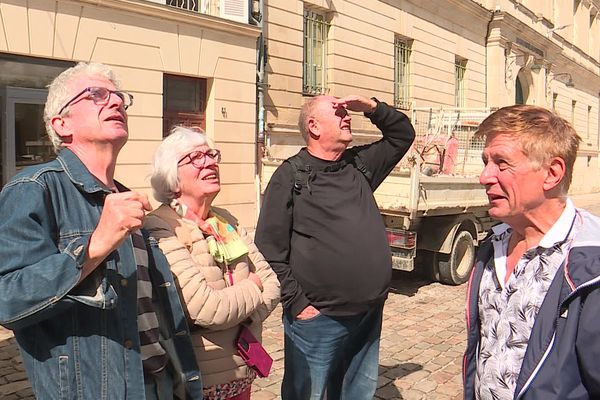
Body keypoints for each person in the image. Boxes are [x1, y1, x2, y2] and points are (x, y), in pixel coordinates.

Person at [0, 63, 203, 399]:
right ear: (61, 124)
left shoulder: (122, 198)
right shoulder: (34, 188)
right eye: (96, 94)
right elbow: (7, 300)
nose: (115, 103)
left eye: (120, 97)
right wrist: (93, 248)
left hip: (159, 384)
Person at [254, 95, 415, 399]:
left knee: (357, 393)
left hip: (368, 313)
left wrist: (371, 107)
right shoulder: (290, 175)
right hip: (319, 319)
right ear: (313, 126)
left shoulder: (359, 166)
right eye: (338, 112)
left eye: (346, 112)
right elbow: (268, 247)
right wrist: (298, 304)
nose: (347, 116)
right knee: (308, 394)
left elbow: (402, 135)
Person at [463, 104, 600, 399]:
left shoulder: (591, 267)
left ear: (552, 173)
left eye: (501, 163)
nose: (484, 176)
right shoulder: (491, 246)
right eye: (485, 161)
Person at [144, 126, 280, 400]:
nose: (210, 162)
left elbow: (273, 285)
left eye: (211, 155)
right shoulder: (161, 226)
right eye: (196, 158)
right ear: (172, 179)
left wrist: (236, 312)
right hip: (199, 382)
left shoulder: (225, 220)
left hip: (242, 371)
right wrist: (251, 290)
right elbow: (205, 309)